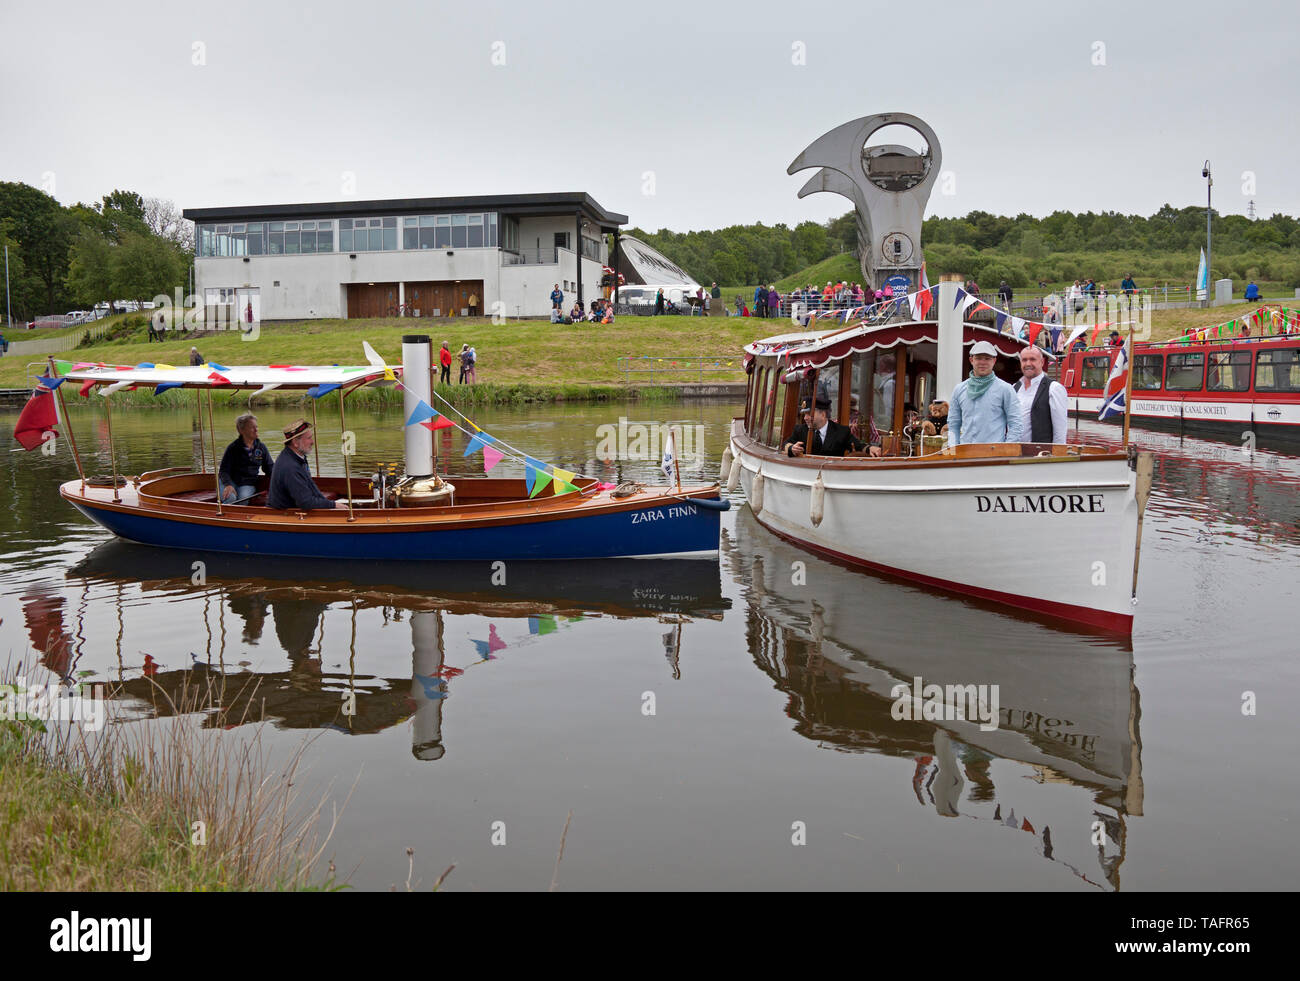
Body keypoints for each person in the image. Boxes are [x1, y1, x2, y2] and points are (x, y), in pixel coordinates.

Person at [946, 340, 1024, 445]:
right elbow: (953, 424)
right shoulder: (959, 390)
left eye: (987, 358)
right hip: (965, 454)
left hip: (994, 455)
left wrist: (1005, 450)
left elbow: (1016, 424)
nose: (982, 362)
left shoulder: (1005, 389)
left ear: (994, 361)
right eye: (978, 358)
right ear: (971, 360)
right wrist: (953, 450)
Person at [267, 420, 344, 510]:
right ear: (295, 442)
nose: (312, 442)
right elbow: (305, 502)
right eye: (309, 438)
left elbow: (311, 486)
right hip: (286, 517)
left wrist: (327, 502)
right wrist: (333, 505)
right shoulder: (290, 467)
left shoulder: (297, 457)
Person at [1013, 346, 1068, 444]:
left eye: (1033, 359)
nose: (1028, 364)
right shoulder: (1014, 388)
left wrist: (1057, 455)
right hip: (1014, 451)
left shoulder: (1054, 388)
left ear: (1042, 362)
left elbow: (1060, 430)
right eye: (1024, 360)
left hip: (1040, 454)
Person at [787, 396, 875, 458]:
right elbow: (786, 444)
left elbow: (859, 446)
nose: (805, 418)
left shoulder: (841, 431)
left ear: (823, 414)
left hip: (834, 477)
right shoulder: (800, 430)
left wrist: (870, 448)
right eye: (804, 414)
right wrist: (792, 448)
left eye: (809, 414)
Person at [218, 413, 273, 502]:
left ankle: (237, 515)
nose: (256, 430)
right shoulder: (232, 448)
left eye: (257, 427)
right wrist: (228, 485)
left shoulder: (261, 448)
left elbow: (270, 467)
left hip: (248, 483)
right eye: (252, 427)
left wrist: (281, 479)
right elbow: (223, 471)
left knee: (243, 498)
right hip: (229, 482)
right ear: (241, 430)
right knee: (231, 498)